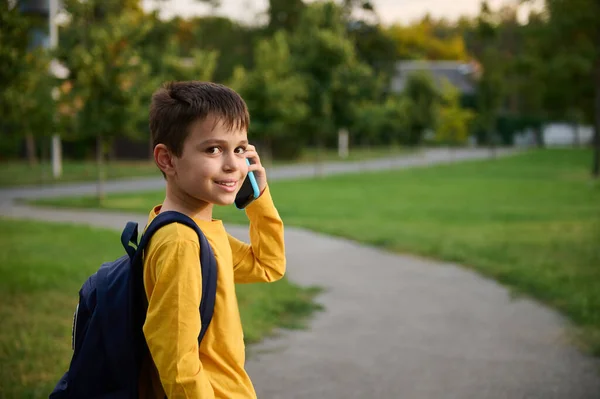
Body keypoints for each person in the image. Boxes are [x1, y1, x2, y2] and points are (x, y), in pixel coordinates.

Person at [139, 81, 286, 398]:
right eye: (213, 149)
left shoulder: (197, 232)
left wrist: (257, 196)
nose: (233, 164)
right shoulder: (181, 242)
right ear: (167, 159)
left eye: (240, 149)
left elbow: (268, 265)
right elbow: (178, 366)